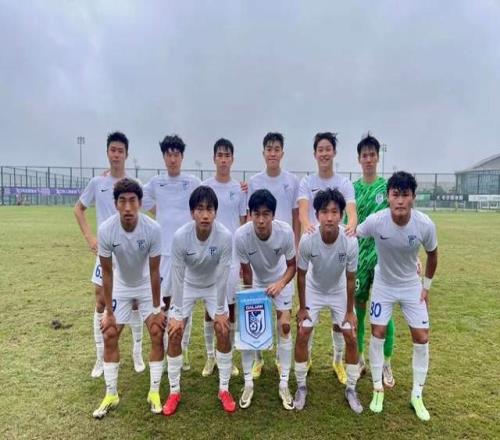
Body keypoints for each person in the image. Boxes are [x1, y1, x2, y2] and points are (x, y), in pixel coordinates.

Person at [356, 171, 438, 421]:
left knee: (422, 337)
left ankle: (417, 395)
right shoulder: (376, 221)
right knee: (378, 332)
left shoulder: (424, 224)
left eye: (405, 195)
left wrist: (426, 286)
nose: (400, 200)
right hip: (383, 284)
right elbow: (353, 233)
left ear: (413, 197)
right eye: (395, 194)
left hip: (411, 286)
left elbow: (433, 254)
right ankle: (377, 388)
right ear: (388, 197)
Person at [92, 178, 165, 418]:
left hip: (145, 285)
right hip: (121, 286)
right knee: (109, 333)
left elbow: (155, 271)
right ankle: (111, 394)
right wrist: (108, 312)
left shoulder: (152, 229)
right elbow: (107, 272)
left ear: (140, 203)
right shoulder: (106, 230)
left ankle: (154, 392)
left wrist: (157, 308)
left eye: (132, 201)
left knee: (157, 331)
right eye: (122, 201)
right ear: (115, 204)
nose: (127, 207)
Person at [74, 132, 144, 378]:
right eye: (112, 150)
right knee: (101, 301)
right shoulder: (97, 183)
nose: (116, 154)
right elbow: (78, 209)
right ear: (108, 153)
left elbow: (147, 210)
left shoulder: (134, 184)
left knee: (134, 302)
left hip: (130, 253)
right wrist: (90, 239)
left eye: (120, 151)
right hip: (105, 252)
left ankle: (137, 353)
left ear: (126, 154)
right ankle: (99, 358)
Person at [162, 186, 236, 415]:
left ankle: (224, 389)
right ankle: (174, 391)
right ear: (192, 213)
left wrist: (221, 310)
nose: (205, 215)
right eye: (200, 209)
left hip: (213, 285)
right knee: (174, 332)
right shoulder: (180, 237)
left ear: (215, 212)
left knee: (223, 329)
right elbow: (177, 275)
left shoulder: (224, 236)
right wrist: (176, 313)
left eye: (209, 209)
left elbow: (223, 274)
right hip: (187, 285)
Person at [293, 188, 362, 413]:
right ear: (317, 215)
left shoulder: (350, 241)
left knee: (351, 335)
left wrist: (350, 311)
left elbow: (350, 278)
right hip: (314, 289)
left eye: (334, 212)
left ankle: (351, 388)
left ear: (341, 215)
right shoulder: (308, 239)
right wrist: (302, 307)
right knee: (303, 332)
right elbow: (301, 275)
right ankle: (301, 386)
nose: (329, 217)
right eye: (324, 212)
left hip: (339, 290)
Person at [297, 132, 357, 384]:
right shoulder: (307, 181)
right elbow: (303, 212)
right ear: (315, 154)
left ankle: (338, 361)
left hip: (337, 270)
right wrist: (308, 227)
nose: (324, 153)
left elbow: (351, 212)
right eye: (320, 149)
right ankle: (306, 360)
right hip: (316, 254)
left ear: (334, 152)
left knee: (342, 324)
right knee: (305, 327)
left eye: (327, 149)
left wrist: (351, 226)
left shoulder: (344, 183)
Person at [142, 135, 201, 371]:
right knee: (164, 301)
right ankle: (167, 348)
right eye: (169, 154)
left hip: (187, 252)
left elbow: (208, 197)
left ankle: (182, 350)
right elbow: (139, 197)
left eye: (176, 154)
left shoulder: (192, 181)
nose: (173, 159)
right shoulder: (156, 183)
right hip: (164, 253)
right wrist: (161, 213)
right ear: (164, 157)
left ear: (182, 157)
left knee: (185, 303)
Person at [234, 189, 296, 410]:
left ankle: (284, 384)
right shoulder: (241, 235)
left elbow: (292, 266)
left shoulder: (285, 232)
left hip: (281, 279)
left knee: (285, 327)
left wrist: (280, 284)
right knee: (249, 328)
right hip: (256, 281)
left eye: (266, 214)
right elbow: (246, 271)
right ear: (250, 214)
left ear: (273, 215)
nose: (261, 220)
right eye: (256, 214)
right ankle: (249, 381)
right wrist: (252, 297)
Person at [247, 132, 300, 378]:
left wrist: (296, 243)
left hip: (282, 250)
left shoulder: (292, 180)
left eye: (277, 149)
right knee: (255, 313)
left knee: (284, 321)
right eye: (269, 149)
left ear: (282, 153)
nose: (273, 153)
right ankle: (258, 359)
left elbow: (296, 214)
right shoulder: (254, 181)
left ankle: (281, 357)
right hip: (259, 255)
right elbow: (250, 214)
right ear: (263, 153)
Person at [201, 138, 247, 378]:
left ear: (232, 159)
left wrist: (241, 258)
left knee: (230, 306)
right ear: (214, 158)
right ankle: (211, 357)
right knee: (209, 307)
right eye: (219, 155)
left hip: (232, 256)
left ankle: (227, 355)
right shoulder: (205, 187)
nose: (223, 159)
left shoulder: (239, 189)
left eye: (227, 155)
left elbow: (243, 223)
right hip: (209, 255)